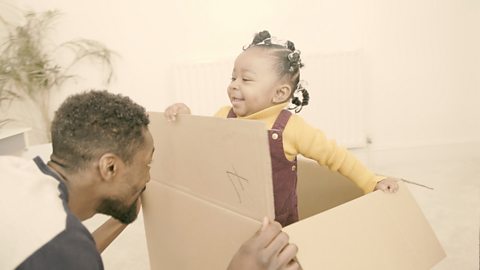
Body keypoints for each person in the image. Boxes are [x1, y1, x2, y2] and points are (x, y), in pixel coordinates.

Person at [0, 90, 300, 270]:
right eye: (147, 163)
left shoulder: (17, 173)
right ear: (110, 168)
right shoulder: (63, 249)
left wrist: (121, 218)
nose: (149, 175)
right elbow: (66, 255)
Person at [165, 30, 399, 227]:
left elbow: (336, 157)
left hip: (280, 225)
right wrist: (185, 119)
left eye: (245, 80)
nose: (234, 85)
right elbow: (199, 143)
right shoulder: (223, 115)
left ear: (280, 93)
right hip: (233, 215)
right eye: (233, 77)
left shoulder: (291, 129)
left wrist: (371, 181)